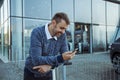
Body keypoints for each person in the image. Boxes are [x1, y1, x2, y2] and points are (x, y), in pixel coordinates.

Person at [24, 12, 77, 80]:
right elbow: (36, 60)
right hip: (32, 74)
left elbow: (64, 58)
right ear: (53, 23)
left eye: (65, 29)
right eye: (61, 28)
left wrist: (50, 67)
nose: (63, 32)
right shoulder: (37, 32)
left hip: (48, 73)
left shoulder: (62, 35)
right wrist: (59, 58)